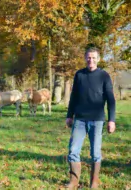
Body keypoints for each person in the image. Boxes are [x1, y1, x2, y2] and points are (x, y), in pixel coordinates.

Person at [65, 47, 116, 189]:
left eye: (93, 58)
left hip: (97, 120)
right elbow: (73, 97)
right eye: (88, 57)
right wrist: (69, 116)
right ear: (85, 58)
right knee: (73, 150)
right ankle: (74, 182)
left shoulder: (104, 76)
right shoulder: (79, 75)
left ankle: (94, 183)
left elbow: (111, 100)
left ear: (98, 59)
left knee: (95, 153)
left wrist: (112, 120)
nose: (90, 60)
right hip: (79, 120)